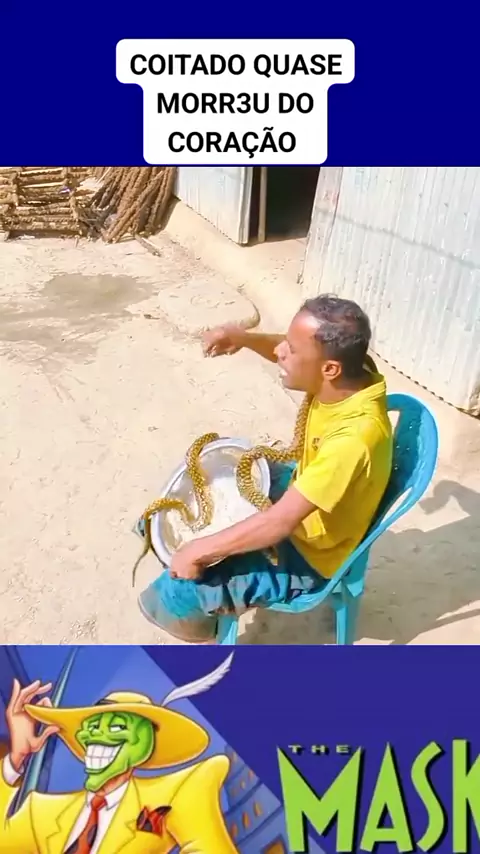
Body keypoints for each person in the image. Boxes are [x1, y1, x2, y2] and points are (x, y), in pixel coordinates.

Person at [138, 294, 393, 643]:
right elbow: (299, 350)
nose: (279, 352)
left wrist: (197, 551)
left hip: (310, 554)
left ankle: (207, 639)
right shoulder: (351, 371)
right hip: (304, 497)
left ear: (329, 370)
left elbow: (278, 524)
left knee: (180, 588)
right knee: (180, 504)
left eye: (291, 349)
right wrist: (243, 338)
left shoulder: (353, 440)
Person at [0, 665, 238, 852]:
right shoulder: (40, 810)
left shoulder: (177, 793)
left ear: (144, 746)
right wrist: (15, 758)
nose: (96, 736)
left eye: (116, 728)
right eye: (92, 728)